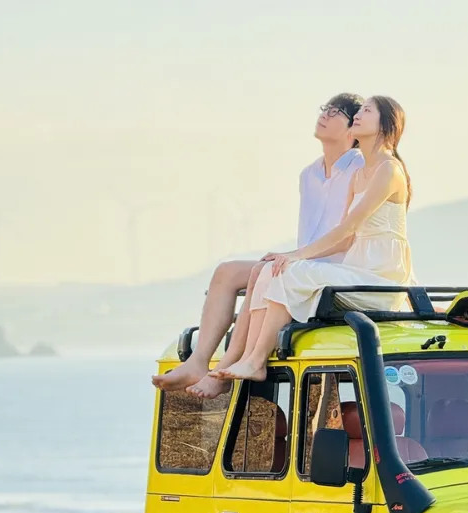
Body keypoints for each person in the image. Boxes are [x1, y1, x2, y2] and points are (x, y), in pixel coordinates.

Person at [151, 93, 366, 397]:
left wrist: (294, 260)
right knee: (226, 272)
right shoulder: (309, 174)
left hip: (335, 268)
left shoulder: (361, 169)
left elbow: (349, 235)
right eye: (325, 108)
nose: (325, 114)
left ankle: (226, 367)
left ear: (352, 130)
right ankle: (198, 361)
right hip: (301, 262)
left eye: (337, 111)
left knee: (265, 272)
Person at [215, 96, 414, 383]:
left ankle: (256, 360)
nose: (358, 114)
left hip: (379, 280)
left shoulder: (389, 169)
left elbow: (347, 227)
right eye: (359, 110)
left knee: (291, 270)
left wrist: (296, 256)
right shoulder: (360, 174)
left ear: (385, 125)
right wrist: (290, 257)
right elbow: (345, 240)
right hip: (356, 271)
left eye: (367, 110)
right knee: (273, 270)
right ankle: (249, 358)